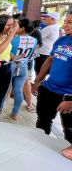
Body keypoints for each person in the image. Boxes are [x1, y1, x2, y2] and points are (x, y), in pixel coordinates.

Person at [32, 13, 72, 160]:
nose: (65, 25)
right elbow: (49, 60)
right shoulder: (62, 40)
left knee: (69, 130)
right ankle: (39, 154)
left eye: (70, 22)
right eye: (66, 21)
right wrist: (37, 81)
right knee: (42, 122)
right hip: (49, 89)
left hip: (68, 96)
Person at [9, 19, 38, 120]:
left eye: (17, 26)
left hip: (11, 66)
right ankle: (15, 114)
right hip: (24, 67)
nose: (15, 27)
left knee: (5, 90)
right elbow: (30, 54)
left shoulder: (13, 39)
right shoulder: (35, 41)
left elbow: (8, 52)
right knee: (18, 91)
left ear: (22, 29)